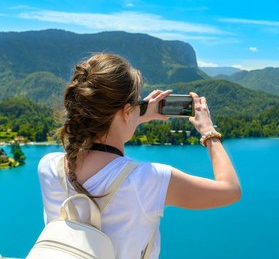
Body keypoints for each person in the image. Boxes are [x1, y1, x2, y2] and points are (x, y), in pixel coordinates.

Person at [37, 53, 241, 258]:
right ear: (126, 111)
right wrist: (209, 132)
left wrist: (134, 113)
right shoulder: (149, 180)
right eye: (137, 103)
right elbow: (231, 190)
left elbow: (103, 131)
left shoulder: (49, 167)